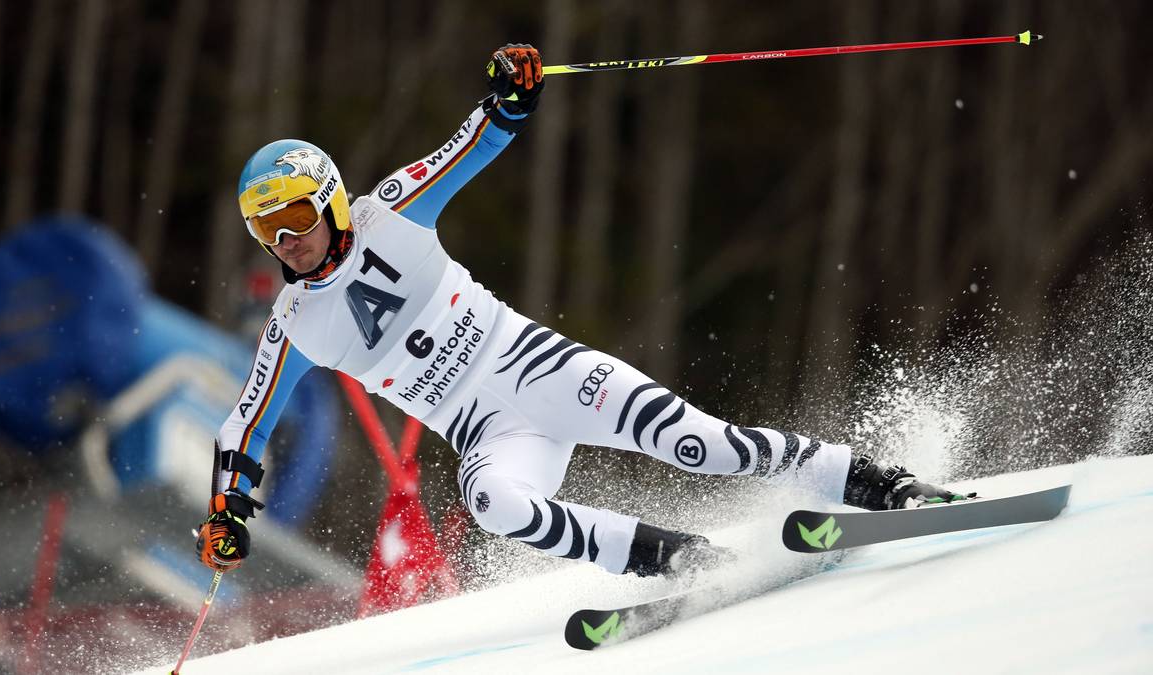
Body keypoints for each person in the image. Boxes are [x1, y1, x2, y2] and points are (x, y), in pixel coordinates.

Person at [195, 44, 969, 578]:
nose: (287, 240)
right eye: (267, 228)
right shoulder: (295, 321)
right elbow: (246, 423)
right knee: (491, 500)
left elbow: (477, 139)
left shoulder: (389, 211)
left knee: (700, 445)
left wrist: (512, 90)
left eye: (296, 214)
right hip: (490, 433)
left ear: (329, 197)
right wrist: (227, 509)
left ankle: (870, 480)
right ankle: (669, 558)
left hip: (542, 370)